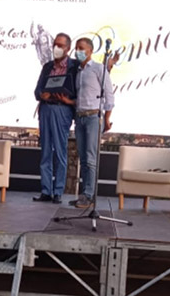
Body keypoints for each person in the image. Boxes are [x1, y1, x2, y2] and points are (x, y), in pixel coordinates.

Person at [69, 37, 115, 209]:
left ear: (90, 50)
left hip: (93, 117)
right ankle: (84, 194)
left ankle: (89, 195)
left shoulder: (98, 68)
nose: (78, 51)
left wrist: (107, 118)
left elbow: (109, 95)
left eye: (81, 48)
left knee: (90, 157)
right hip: (80, 117)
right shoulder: (78, 72)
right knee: (83, 158)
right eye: (76, 48)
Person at [33, 33, 78, 204]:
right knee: (45, 151)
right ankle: (46, 190)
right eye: (55, 44)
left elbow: (78, 89)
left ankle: (58, 191)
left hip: (62, 109)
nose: (56, 48)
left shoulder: (74, 66)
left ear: (68, 48)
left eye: (60, 45)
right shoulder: (47, 66)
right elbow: (37, 90)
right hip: (46, 108)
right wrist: (41, 95)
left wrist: (67, 97)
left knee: (60, 151)